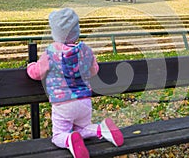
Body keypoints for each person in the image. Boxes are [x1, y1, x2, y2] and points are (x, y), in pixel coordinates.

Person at [27, 8, 124, 158]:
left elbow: (37, 73)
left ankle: (68, 140)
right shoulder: (85, 51)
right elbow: (94, 71)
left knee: (59, 134)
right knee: (82, 128)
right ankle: (101, 130)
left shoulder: (51, 52)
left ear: (56, 33)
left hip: (63, 103)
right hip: (84, 101)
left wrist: (30, 67)